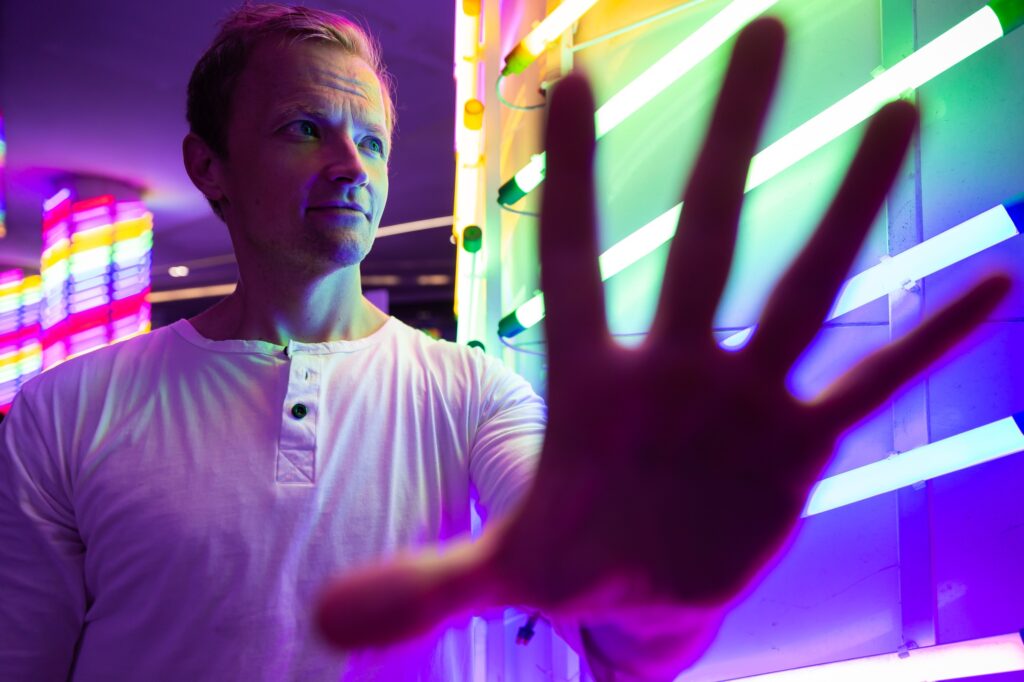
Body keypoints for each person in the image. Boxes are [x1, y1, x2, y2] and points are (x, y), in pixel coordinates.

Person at [0, 4, 1009, 682]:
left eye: (375, 139)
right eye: (304, 128)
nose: (353, 164)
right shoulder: (65, 410)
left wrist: (662, 586)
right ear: (207, 167)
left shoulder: (474, 394)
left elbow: (617, 630)